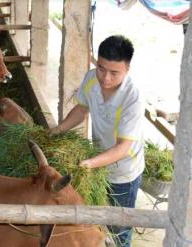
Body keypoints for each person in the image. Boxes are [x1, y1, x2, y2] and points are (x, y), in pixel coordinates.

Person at [49, 35, 144, 247]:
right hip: (98, 162)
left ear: (127, 69)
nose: (106, 78)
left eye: (114, 72)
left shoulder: (133, 98)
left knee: (119, 228)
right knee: (97, 220)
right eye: (101, 68)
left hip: (124, 172)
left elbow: (122, 148)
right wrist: (58, 129)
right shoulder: (91, 78)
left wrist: (88, 164)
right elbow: (82, 109)